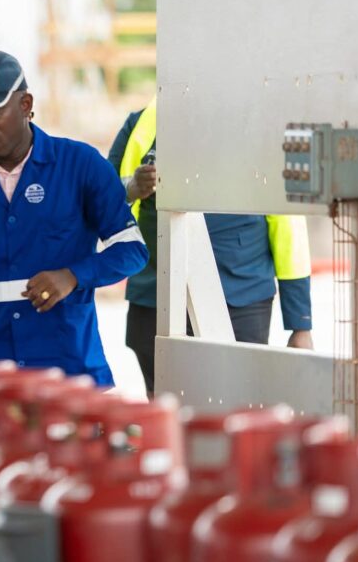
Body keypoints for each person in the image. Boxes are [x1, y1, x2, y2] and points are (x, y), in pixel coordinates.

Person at [0, 50, 148, 385]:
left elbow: (132, 251)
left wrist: (73, 275)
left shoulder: (82, 165)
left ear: (25, 104)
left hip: (67, 365)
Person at [108, 97, 313, 394]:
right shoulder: (144, 122)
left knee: (238, 406)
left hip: (241, 300)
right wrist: (132, 189)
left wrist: (300, 323)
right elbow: (102, 198)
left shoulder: (262, 126)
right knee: (166, 409)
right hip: (155, 295)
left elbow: (288, 225)